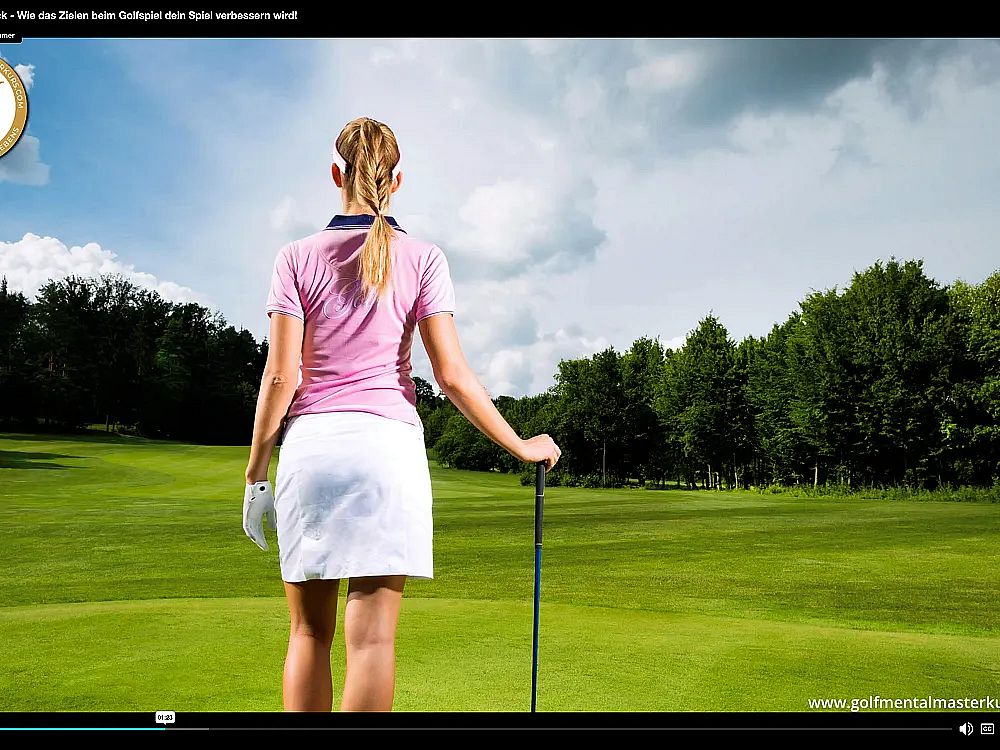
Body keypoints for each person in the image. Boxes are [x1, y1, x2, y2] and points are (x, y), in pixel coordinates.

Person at [242, 116, 561, 712]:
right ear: (398, 181)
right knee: (374, 642)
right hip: (389, 455)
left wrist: (256, 471)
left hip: (312, 449)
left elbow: (282, 377)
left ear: (335, 175)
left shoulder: (295, 257)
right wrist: (521, 446)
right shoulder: (425, 258)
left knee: (309, 635)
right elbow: (452, 375)